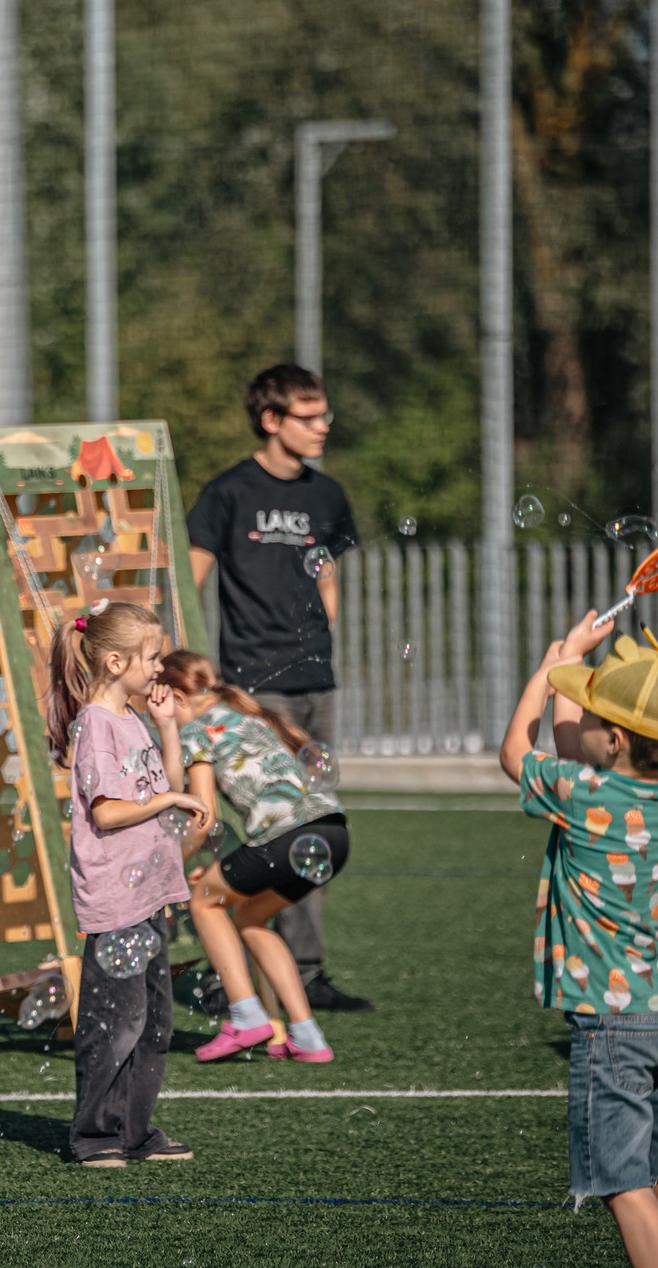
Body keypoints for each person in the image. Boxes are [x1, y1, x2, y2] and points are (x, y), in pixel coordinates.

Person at [499, 614, 658, 1268]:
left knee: (623, 1183)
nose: (583, 719)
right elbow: (574, 744)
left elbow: (516, 751)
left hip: (612, 1020)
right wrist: (575, 669)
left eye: (595, 714)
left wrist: (551, 663)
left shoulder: (580, 790)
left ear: (616, 739)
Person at [185, 363, 369, 1014]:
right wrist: (199, 677)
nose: (323, 427)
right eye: (308, 416)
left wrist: (323, 628)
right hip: (251, 684)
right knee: (257, 825)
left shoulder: (328, 495)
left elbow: (327, 575)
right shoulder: (227, 492)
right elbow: (192, 580)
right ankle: (225, 971)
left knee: (310, 822)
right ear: (271, 419)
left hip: (316, 680)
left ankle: (306, 973)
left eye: (325, 415)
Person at [47, 602, 211, 1167]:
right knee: (115, 1023)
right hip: (116, 899)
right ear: (115, 662)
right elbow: (109, 811)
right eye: (152, 657)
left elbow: (165, 779)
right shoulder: (97, 725)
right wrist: (169, 800)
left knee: (154, 1021)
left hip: (148, 893)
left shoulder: (132, 717)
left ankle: (135, 1131)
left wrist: (166, 726)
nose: (160, 667)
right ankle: (94, 1135)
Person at [164, 650, 348, 1064]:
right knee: (248, 916)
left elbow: (202, 819)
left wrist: (169, 867)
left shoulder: (195, 730)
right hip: (333, 833)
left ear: (176, 696)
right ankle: (307, 1036)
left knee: (204, 901)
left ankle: (246, 1016)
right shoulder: (249, 712)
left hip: (287, 835)